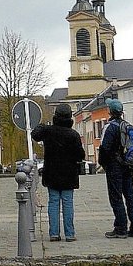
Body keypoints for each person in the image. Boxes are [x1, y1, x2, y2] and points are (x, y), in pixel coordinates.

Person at [31, 102, 85, 242]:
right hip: (69, 174)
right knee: (68, 203)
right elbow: (80, 155)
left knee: (53, 202)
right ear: (69, 117)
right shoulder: (73, 135)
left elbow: (35, 135)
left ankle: (54, 233)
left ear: (56, 116)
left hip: (52, 173)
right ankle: (70, 234)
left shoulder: (48, 131)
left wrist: (42, 125)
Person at [98, 98, 133, 238]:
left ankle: (120, 228)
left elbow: (104, 148)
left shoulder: (110, 127)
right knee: (130, 196)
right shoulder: (127, 125)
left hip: (114, 165)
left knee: (116, 196)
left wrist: (103, 163)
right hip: (128, 165)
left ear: (110, 111)